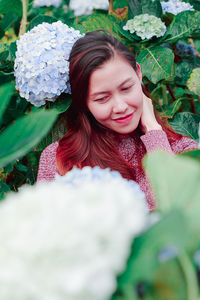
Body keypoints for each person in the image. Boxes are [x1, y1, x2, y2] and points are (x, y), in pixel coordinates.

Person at [37, 30, 198, 210]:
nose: (120, 107)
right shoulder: (59, 159)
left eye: (126, 88)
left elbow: (179, 212)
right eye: (102, 99)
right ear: (83, 100)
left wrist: (154, 132)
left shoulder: (183, 150)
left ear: (138, 74)